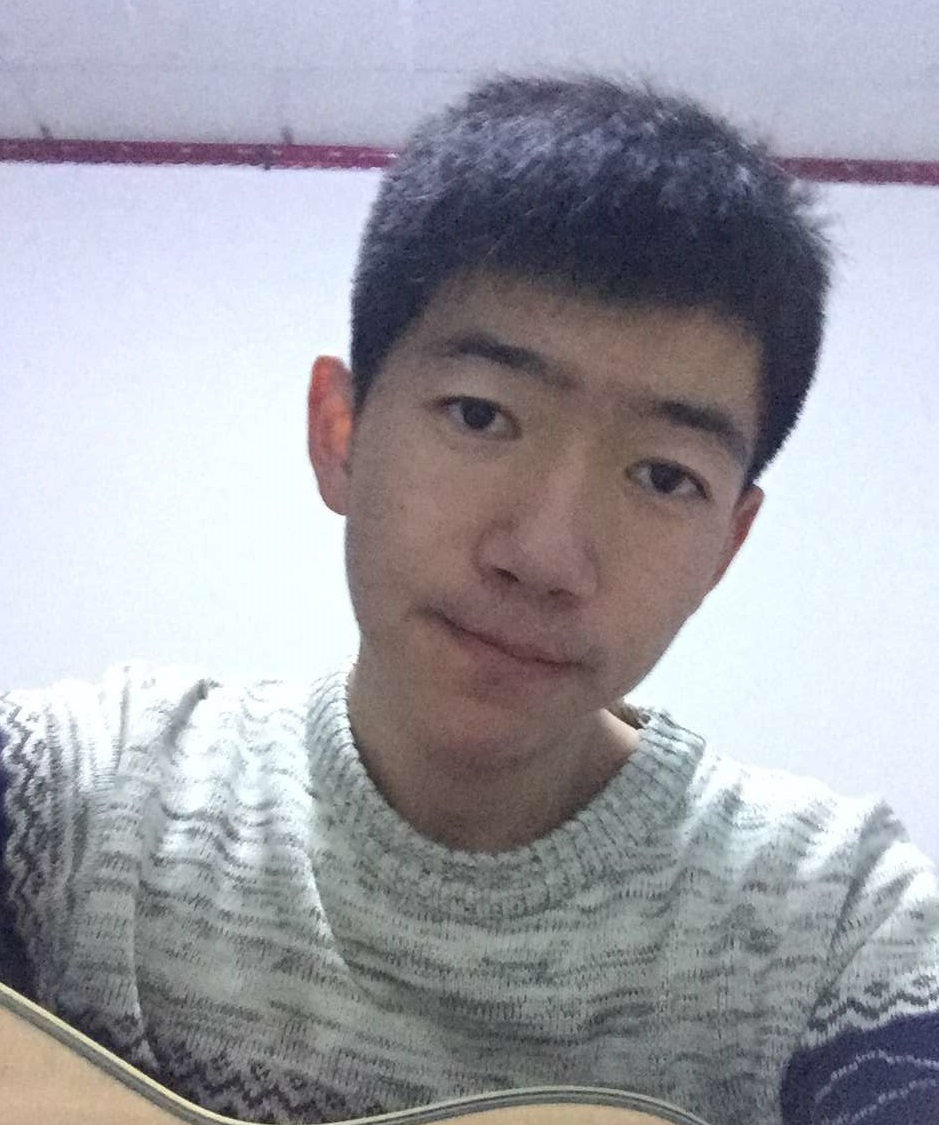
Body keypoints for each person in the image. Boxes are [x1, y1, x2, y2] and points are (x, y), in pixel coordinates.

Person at [1, 74, 937, 1125]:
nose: (544, 555)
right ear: (340, 433)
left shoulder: (839, 928)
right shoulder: (70, 804)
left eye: (664, 475)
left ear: (726, 545)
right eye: (481, 415)